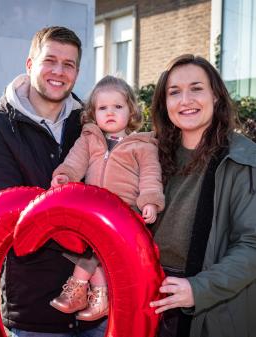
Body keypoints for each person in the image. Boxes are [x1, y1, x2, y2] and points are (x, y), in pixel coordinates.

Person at [0, 26, 107, 337]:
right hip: (35, 311)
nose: (59, 72)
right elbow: (12, 213)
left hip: (99, 309)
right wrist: (89, 241)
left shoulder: (91, 123)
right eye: (50, 60)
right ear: (30, 64)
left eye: (69, 64)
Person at [149, 54, 256, 337]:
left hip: (210, 306)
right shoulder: (149, 155)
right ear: (164, 103)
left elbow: (252, 244)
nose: (185, 100)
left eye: (196, 88)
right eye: (174, 92)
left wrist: (198, 289)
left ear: (216, 96)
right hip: (148, 298)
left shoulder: (244, 159)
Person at [49, 75, 165, 322]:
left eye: (118, 107)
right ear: (93, 113)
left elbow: (150, 176)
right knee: (89, 249)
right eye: (103, 108)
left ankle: (77, 287)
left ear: (131, 111)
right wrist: (64, 176)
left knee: (97, 251)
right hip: (93, 210)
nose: (110, 112)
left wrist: (150, 201)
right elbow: (74, 162)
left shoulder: (142, 145)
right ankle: (100, 296)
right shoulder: (89, 138)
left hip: (125, 213)